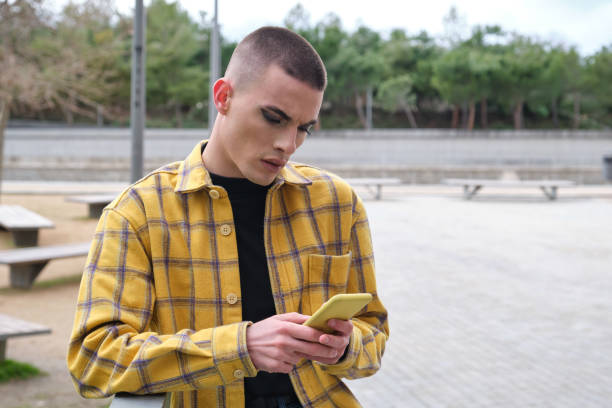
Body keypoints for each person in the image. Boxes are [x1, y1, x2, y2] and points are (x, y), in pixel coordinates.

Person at [67, 26, 388, 408]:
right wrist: (241, 347)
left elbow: (374, 336)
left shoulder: (336, 203)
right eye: (274, 118)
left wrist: (345, 346)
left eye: (304, 128)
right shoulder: (139, 212)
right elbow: (93, 360)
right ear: (223, 97)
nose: (288, 144)